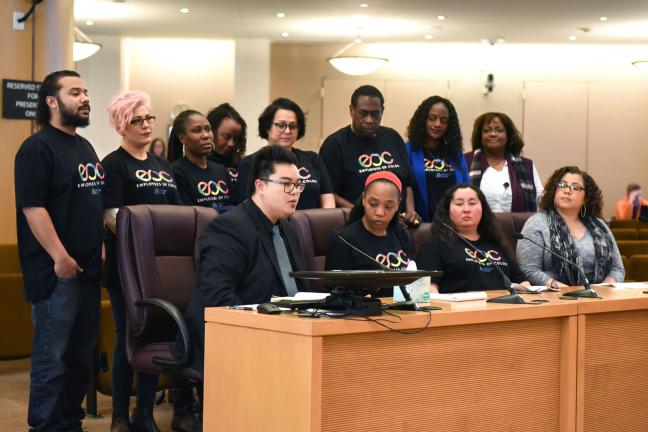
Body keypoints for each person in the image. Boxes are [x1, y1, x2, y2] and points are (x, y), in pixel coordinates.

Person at [14, 70, 103, 432]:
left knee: (81, 359)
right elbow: (33, 208)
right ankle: (46, 427)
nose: (85, 98)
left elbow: (91, 203)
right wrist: (60, 257)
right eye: (75, 92)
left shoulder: (85, 146)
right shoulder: (36, 148)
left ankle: (70, 423)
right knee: (53, 359)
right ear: (52, 101)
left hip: (88, 273)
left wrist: (98, 247)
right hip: (57, 274)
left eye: (86, 91)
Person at [102, 91, 191, 432]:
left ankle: (145, 415)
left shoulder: (162, 166)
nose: (145, 125)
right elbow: (110, 215)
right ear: (122, 125)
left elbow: (178, 213)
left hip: (159, 269)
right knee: (129, 336)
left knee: (154, 336)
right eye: (136, 120)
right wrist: (145, 235)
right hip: (126, 269)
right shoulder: (113, 164)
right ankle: (120, 417)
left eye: (149, 118)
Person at [183, 145, 310, 375]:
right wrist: (269, 325)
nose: (295, 191)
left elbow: (298, 290)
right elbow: (219, 298)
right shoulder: (229, 228)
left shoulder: (287, 229)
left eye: (298, 184)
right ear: (260, 186)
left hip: (286, 332)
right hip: (239, 335)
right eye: (286, 184)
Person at [319, 85, 420, 224]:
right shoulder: (334, 145)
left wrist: (410, 211)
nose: (369, 120)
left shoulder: (393, 137)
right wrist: (366, 213)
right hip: (358, 223)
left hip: (399, 223)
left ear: (382, 111)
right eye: (363, 113)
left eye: (375, 113)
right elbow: (331, 194)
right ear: (351, 110)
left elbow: (407, 183)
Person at [517, 166, 625, 288]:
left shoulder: (599, 226)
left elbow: (617, 269)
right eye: (562, 185)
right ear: (554, 190)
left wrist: (603, 289)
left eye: (575, 187)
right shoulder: (536, 224)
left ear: (586, 197)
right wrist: (565, 290)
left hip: (598, 296)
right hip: (555, 297)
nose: (567, 190)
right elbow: (528, 270)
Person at [417, 184, 530, 293]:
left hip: (504, 308)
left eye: (472, 203)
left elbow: (522, 281)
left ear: (483, 208)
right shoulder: (436, 242)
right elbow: (429, 288)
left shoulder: (495, 241)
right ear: (448, 210)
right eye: (459, 204)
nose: (466, 209)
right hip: (460, 310)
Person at [325, 171, 415, 296]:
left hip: (405, 310)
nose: (379, 212)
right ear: (363, 199)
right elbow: (335, 290)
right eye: (373, 204)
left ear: (397, 206)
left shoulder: (403, 234)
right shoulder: (343, 241)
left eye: (388, 206)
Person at [236, 97, 335, 209]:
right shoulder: (250, 163)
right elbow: (247, 207)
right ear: (267, 127)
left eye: (293, 126)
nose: (287, 131)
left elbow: (328, 202)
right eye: (281, 125)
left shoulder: (313, 159)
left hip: (313, 224)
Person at [405, 96, 470, 222]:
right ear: (423, 120)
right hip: (420, 225)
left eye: (443, 120)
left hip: (454, 226)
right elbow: (404, 185)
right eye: (432, 118)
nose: (437, 124)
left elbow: (466, 188)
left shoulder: (455, 153)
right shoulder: (409, 150)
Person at [465, 112, 543, 212]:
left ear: (508, 136)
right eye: (487, 131)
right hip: (477, 227)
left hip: (519, 227)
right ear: (480, 136)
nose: (493, 134)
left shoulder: (527, 165)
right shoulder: (466, 162)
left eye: (499, 130)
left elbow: (540, 202)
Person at [170, 110, 234, 210]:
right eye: (197, 130)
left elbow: (235, 210)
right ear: (182, 138)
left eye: (208, 129)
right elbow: (188, 216)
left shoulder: (222, 170)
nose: (206, 135)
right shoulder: (176, 172)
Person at [206, 103, 247, 190]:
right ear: (212, 132)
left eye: (236, 139)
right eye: (226, 137)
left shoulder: (240, 165)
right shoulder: (198, 164)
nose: (231, 144)